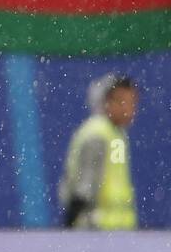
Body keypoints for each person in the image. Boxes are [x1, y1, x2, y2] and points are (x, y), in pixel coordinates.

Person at [58, 75, 139, 230]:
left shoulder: (116, 134)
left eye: (132, 102)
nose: (128, 108)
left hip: (117, 231)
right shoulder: (97, 135)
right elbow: (84, 189)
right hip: (96, 232)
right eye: (122, 101)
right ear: (105, 102)